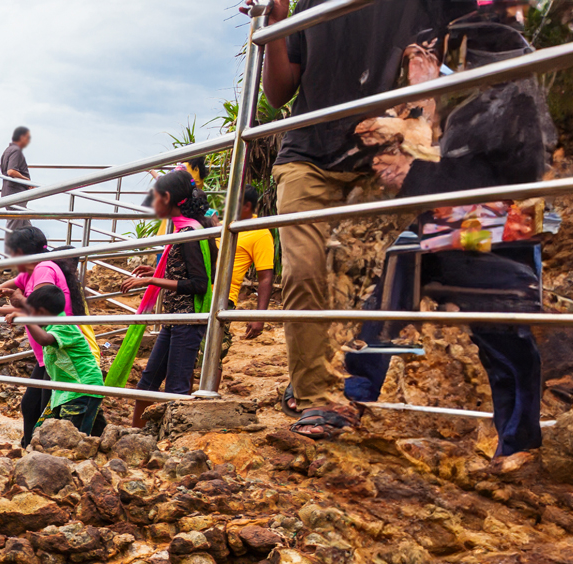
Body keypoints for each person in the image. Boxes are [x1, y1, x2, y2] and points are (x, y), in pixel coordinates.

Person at [346, 1, 551, 466]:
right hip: (472, 223)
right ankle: (357, 389)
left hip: (494, 226)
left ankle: (519, 440)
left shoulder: (508, 95)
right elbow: (454, 162)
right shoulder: (481, 98)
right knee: (402, 277)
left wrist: (414, 148)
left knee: (501, 335)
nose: (459, 54)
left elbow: (472, 168)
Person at [252, 0, 461, 440]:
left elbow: (443, 60)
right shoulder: (311, 4)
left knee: (370, 282)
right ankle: (318, 400)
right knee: (304, 271)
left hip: (382, 160)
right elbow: (278, 93)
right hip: (307, 156)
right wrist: (274, 24)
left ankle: (339, 384)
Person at [0, 225, 88, 445]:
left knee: (48, 408)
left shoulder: (44, 269)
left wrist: (16, 306)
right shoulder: (30, 273)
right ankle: (30, 448)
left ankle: (40, 451)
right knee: (31, 405)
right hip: (48, 354)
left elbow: (43, 311)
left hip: (60, 350)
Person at [123, 171, 214, 426]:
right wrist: (157, 272)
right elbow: (184, 269)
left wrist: (151, 281)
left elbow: (199, 283)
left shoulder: (190, 233)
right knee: (147, 383)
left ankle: (174, 448)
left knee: (176, 388)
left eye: (155, 198)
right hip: (173, 320)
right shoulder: (182, 229)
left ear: (166, 197)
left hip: (187, 320)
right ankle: (135, 436)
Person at [23, 283, 108, 437]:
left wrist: (24, 318)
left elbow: (44, 340)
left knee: (72, 438)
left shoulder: (64, 325)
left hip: (81, 389)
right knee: (49, 431)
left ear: (42, 313)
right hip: (67, 391)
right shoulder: (52, 323)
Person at [230, 189, 276, 338]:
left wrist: (259, 316)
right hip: (200, 294)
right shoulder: (226, 225)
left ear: (246, 206)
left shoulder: (259, 232)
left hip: (223, 298)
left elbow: (266, 277)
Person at [0, 127, 33, 201]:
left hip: (8, 192)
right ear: (22, 137)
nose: (29, 140)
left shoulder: (8, 150)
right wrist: (27, 181)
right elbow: (11, 171)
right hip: (15, 194)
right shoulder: (16, 151)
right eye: (28, 137)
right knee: (19, 212)